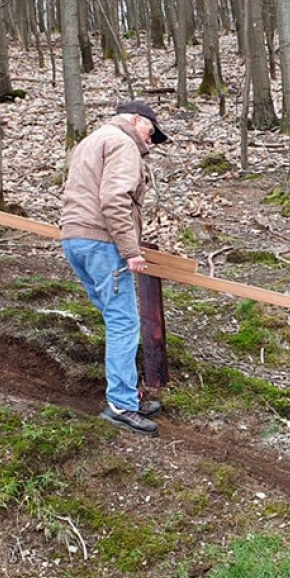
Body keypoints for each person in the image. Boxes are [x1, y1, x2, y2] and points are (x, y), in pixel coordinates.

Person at [60, 101, 170, 437]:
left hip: (75, 238)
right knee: (123, 321)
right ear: (137, 120)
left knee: (114, 317)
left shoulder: (91, 140)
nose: (150, 142)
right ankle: (121, 405)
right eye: (151, 132)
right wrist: (130, 250)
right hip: (103, 243)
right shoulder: (122, 144)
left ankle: (126, 394)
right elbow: (113, 199)